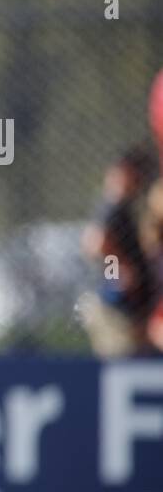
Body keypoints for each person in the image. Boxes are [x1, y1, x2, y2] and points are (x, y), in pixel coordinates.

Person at [81, 143, 156, 356]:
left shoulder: (122, 207)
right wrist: (118, 269)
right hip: (114, 309)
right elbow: (96, 242)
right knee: (122, 361)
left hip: (128, 309)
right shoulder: (112, 204)